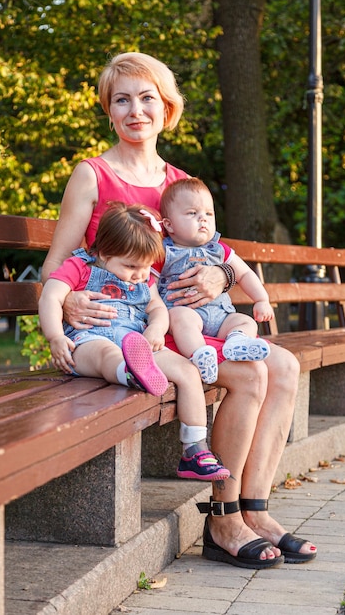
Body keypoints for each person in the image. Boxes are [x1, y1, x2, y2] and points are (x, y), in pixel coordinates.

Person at [42, 51, 316, 568]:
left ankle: (253, 508)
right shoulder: (93, 175)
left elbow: (214, 252)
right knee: (254, 373)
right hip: (134, 329)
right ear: (108, 110)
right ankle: (223, 517)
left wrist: (222, 275)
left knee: (286, 365)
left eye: (147, 98)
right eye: (121, 100)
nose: (135, 110)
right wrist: (69, 299)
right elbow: (56, 265)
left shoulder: (179, 181)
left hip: (179, 322)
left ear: (166, 108)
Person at [39, 202, 230, 481]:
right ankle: (131, 372)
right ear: (104, 253)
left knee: (188, 372)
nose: (141, 275)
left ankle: (195, 449)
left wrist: (155, 330)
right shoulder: (79, 266)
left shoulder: (142, 277)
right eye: (131, 267)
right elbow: (51, 296)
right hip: (86, 341)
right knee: (107, 354)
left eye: (146, 268)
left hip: (136, 340)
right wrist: (55, 336)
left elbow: (157, 309)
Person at [152, 177, 272, 384]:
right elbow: (148, 284)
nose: (203, 219)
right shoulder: (163, 251)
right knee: (179, 318)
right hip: (186, 312)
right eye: (192, 213)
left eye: (209, 213)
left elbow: (244, 274)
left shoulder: (220, 249)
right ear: (169, 225)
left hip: (221, 316)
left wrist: (262, 299)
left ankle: (236, 342)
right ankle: (200, 355)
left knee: (245, 321)